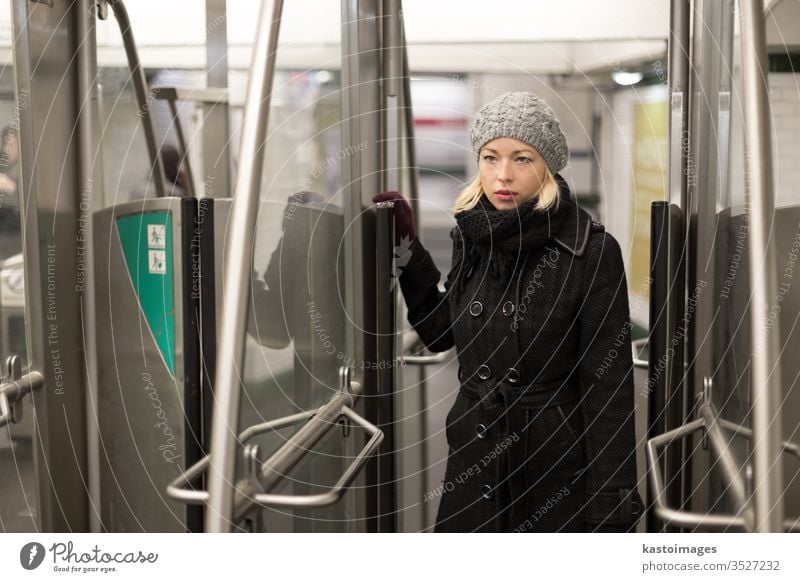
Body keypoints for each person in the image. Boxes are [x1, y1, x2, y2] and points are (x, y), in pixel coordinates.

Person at [374, 92, 642, 532]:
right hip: (474, 454)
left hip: (551, 467)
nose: (503, 175)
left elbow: (607, 392)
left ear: (548, 166)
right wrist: (407, 251)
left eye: (522, 159)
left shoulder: (589, 252)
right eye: (490, 157)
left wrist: (610, 511)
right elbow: (441, 332)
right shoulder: (473, 237)